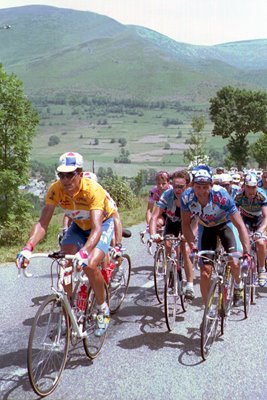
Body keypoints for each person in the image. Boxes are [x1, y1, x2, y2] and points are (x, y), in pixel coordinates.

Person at [16, 152, 115, 336]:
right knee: (64, 263)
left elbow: (95, 229)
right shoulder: (55, 189)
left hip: (101, 225)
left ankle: (103, 308)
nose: (65, 179)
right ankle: (68, 312)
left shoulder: (93, 190)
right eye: (61, 175)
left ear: (80, 173)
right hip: (78, 226)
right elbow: (42, 223)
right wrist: (28, 247)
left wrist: (84, 252)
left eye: (70, 174)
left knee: (90, 264)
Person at [181, 165, 250, 307]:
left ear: (211, 186)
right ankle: (208, 310)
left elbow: (240, 226)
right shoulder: (186, 197)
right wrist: (192, 246)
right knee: (205, 272)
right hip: (206, 228)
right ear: (193, 186)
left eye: (205, 187)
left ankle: (238, 285)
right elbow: (186, 224)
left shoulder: (221, 196)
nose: (202, 192)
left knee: (234, 261)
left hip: (225, 225)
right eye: (198, 187)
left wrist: (246, 252)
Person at [149, 170, 195, 300]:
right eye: (175, 186)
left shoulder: (192, 196)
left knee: (185, 250)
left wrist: (189, 236)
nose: (177, 189)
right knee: (167, 243)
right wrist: (153, 234)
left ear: (188, 185)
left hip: (190, 223)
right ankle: (171, 271)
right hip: (173, 222)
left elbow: (197, 220)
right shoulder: (168, 194)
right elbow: (154, 216)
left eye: (181, 187)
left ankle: (190, 285)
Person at [235, 173, 267, 286]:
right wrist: (243, 230)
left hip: (260, 219)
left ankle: (262, 270)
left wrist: (260, 231)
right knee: (245, 241)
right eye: (248, 187)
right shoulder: (238, 197)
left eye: (253, 187)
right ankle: (245, 260)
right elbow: (236, 215)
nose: (251, 190)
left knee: (260, 242)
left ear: (256, 187)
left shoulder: (261, 196)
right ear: (244, 186)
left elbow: (265, 216)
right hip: (245, 219)